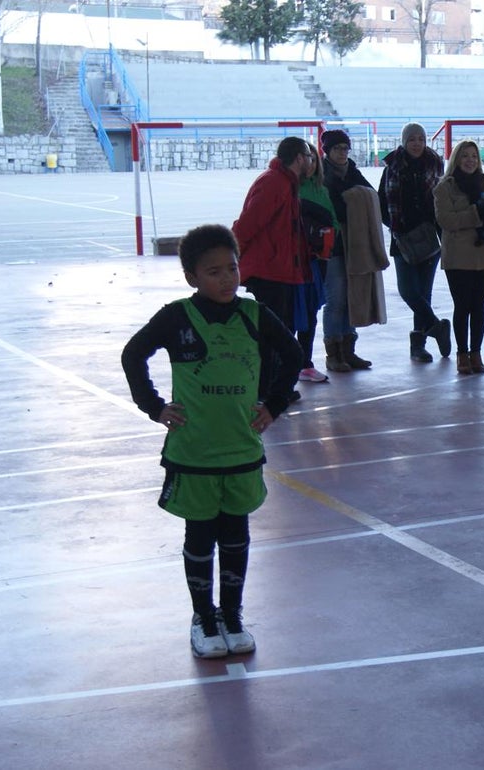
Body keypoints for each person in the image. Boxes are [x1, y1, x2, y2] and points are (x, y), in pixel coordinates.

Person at [121, 224, 302, 658]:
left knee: (236, 534)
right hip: (194, 453)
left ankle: (232, 614)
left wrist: (272, 405)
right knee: (200, 536)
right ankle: (203, 617)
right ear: (192, 277)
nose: (226, 279)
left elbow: (293, 357)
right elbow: (133, 355)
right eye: (213, 271)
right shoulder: (177, 316)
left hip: (241, 451)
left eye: (232, 269)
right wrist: (155, 406)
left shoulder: (254, 316)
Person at [231, 136, 313, 401]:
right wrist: (232, 258)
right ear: (300, 157)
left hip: (281, 270)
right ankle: (266, 391)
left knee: (280, 331)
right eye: (309, 157)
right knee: (272, 335)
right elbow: (248, 224)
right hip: (270, 271)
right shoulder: (274, 183)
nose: (312, 163)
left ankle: (275, 389)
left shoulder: (286, 183)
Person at [378, 122, 452, 364]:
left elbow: (442, 199)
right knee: (408, 290)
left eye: (421, 138)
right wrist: (396, 226)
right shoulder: (392, 166)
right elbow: (381, 202)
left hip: (429, 236)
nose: (417, 143)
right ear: (404, 142)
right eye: (412, 139)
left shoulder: (435, 163)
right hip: (402, 237)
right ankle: (437, 326)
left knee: (423, 292)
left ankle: (418, 346)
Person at [433, 140, 484, 375]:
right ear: (456, 159)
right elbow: (447, 220)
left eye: (474, 156)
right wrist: (476, 214)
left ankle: (476, 351)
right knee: (462, 306)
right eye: (465, 156)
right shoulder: (444, 188)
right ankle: (462, 353)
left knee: (479, 306)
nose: (470, 160)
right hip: (458, 257)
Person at [321, 129, 375, 372]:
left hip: (353, 244)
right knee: (336, 299)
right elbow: (333, 207)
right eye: (337, 149)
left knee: (350, 297)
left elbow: (370, 195)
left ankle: (348, 350)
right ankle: (333, 353)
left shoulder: (353, 171)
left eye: (345, 148)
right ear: (327, 151)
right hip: (332, 247)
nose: (342, 153)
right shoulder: (321, 175)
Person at [295, 140, 332, 383]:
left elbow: (332, 221)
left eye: (313, 157)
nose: (310, 162)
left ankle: (305, 362)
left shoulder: (320, 188)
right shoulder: (289, 188)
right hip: (297, 261)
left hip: (318, 261)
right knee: (292, 313)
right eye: (306, 157)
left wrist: (328, 241)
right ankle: (289, 364)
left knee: (310, 312)